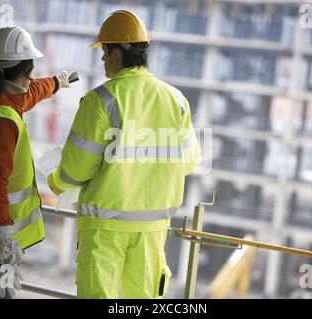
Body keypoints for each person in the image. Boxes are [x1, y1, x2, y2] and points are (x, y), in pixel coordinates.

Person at [47, 10, 200, 299]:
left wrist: (58, 181)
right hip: (152, 230)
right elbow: (189, 161)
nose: (102, 58)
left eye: (105, 51)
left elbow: (76, 169)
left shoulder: (100, 101)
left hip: (105, 229)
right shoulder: (177, 101)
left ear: (117, 54)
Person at [0, 26, 73, 299]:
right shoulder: (3, 119)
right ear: (25, 70)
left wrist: (58, 82)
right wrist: (3, 236)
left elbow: (31, 92)